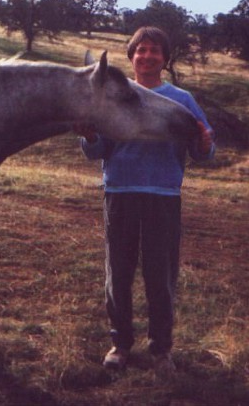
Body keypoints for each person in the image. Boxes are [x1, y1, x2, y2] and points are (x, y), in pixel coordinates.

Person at [74, 26, 215, 379]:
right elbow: (97, 151)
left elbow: (205, 152)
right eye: (141, 50)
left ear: (165, 60)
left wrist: (203, 144)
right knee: (118, 274)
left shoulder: (182, 100)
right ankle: (120, 345)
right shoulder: (113, 97)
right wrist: (89, 136)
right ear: (131, 56)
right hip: (119, 194)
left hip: (163, 198)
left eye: (155, 50)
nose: (147, 56)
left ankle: (161, 350)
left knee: (160, 276)